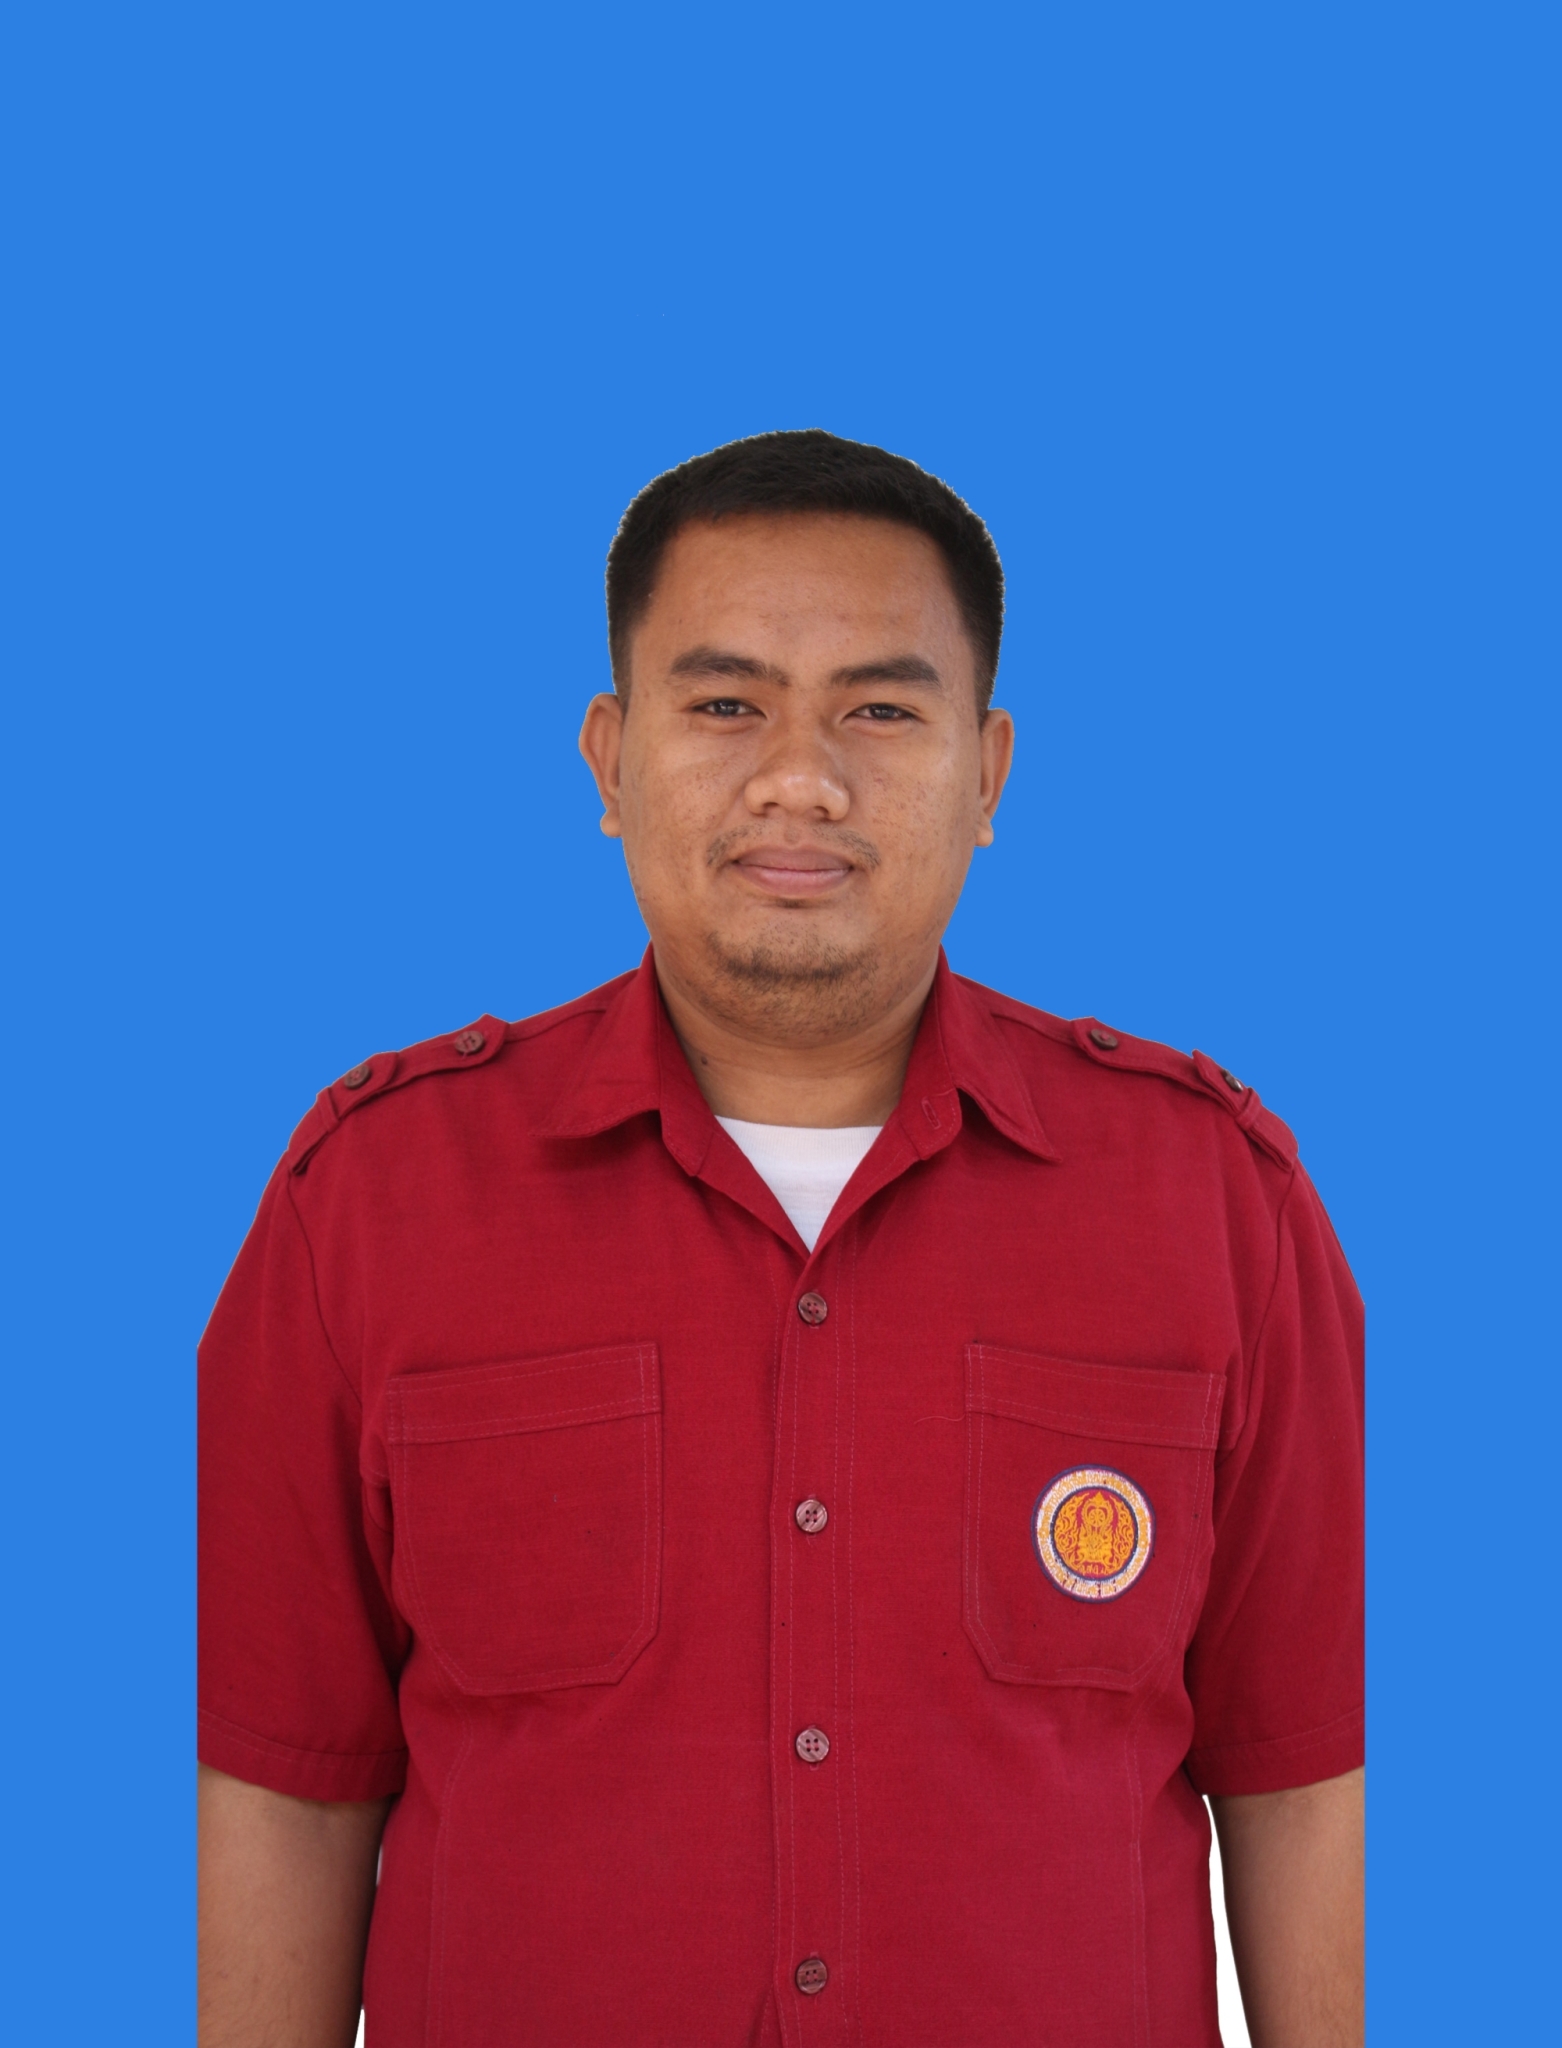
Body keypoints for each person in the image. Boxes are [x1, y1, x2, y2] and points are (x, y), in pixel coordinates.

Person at [198, 429, 1364, 2048]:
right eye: (726, 705)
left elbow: (1307, 1778)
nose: (799, 779)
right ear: (611, 759)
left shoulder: (1213, 1200)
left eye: (878, 710)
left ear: (986, 772)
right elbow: (281, 1784)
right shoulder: (373, 1196)